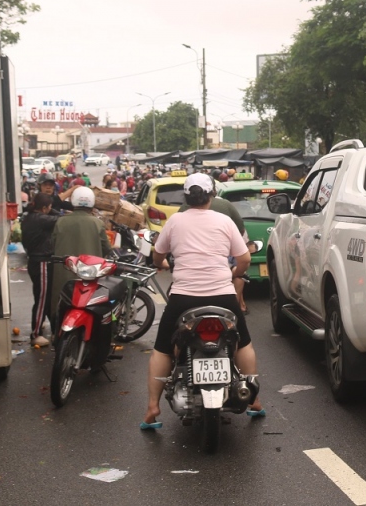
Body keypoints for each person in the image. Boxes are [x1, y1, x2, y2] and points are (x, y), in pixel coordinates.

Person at [142, 173, 263, 429]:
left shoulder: (175, 221)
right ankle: (255, 401)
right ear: (212, 195)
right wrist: (232, 275)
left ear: (186, 197)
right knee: (243, 343)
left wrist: (162, 264)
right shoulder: (224, 220)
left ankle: (153, 407)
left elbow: (158, 256)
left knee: (163, 348)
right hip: (223, 295)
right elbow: (244, 259)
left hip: (183, 298)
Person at [179, 177, 257, 313]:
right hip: (224, 279)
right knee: (239, 274)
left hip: (184, 290)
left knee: (167, 327)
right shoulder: (225, 208)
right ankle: (238, 305)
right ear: (213, 192)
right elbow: (241, 232)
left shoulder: (180, 213)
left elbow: (162, 249)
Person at [49, 187, 112, 325]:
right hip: (89, 275)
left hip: (64, 273)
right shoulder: (97, 223)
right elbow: (107, 248)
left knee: (60, 300)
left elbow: (52, 245)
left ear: (73, 202)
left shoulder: (61, 221)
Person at [21, 193, 58, 348]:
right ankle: (35, 334)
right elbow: (61, 219)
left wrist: (51, 208)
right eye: (49, 207)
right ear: (44, 208)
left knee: (46, 297)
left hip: (35, 261)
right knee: (42, 299)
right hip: (41, 261)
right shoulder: (41, 219)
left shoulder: (29, 217)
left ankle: (55, 329)